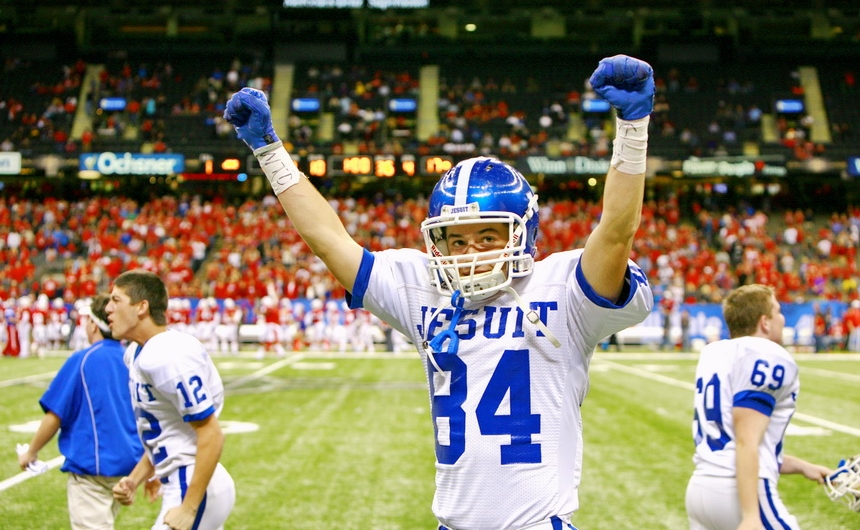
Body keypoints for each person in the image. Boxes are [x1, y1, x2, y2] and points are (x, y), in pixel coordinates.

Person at [226, 54, 655, 529]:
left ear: (522, 235)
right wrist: (270, 152)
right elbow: (329, 241)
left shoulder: (564, 290)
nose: (469, 252)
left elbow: (615, 232)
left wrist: (632, 129)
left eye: (488, 237)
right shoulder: (423, 287)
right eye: (456, 239)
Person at [685, 284, 832, 530]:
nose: (782, 318)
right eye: (778, 311)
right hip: (738, 491)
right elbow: (746, 440)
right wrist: (751, 515)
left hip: (700, 490)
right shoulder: (767, 354)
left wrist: (804, 467)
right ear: (765, 322)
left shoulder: (715, 352)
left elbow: (736, 442)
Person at [106, 270, 235, 530]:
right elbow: (168, 432)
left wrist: (189, 508)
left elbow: (211, 433)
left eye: (116, 300)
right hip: (184, 477)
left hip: (193, 483)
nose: (107, 308)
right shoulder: (136, 353)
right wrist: (135, 478)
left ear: (141, 307)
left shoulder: (169, 355)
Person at [17, 294, 143, 530]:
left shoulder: (83, 359)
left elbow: (55, 414)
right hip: (129, 467)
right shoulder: (132, 359)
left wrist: (31, 452)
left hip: (92, 469)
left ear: (94, 325)